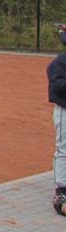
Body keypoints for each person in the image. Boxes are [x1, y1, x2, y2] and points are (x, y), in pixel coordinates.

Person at [48, 25, 66, 217]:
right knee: (64, 149)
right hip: (64, 110)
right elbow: (57, 86)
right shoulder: (60, 62)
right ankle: (62, 192)